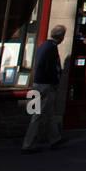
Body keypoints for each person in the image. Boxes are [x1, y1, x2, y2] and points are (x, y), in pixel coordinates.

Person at [23, 25, 67, 153]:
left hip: (37, 84)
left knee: (50, 112)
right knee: (37, 114)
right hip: (45, 85)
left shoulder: (43, 46)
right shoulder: (51, 48)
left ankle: (55, 139)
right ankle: (28, 144)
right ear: (61, 37)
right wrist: (55, 82)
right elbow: (51, 68)